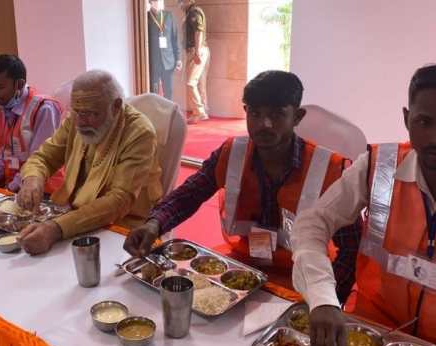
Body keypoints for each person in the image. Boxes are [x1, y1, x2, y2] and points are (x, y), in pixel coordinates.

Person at [291, 63, 436, 346]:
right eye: (424, 122)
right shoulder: (378, 166)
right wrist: (323, 298)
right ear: (407, 118)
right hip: (372, 335)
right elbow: (312, 223)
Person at [124, 70, 361, 297]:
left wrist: (328, 300)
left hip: (303, 277)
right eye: (255, 113)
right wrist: (154, 224)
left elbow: (350, 248)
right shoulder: (232, 153)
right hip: (239, 266)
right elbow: (189, 194)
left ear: (297, 117)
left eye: (277, 115)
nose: (264, 124)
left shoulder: (329, 170)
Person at [16, 70, 162, 255]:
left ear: (116, 106)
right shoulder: (75, 120)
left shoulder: (139, 133)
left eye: (91, 113)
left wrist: (56, 228)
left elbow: (119, 201)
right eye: (77, 111)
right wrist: (32, 179)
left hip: (124, 229)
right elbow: (44, 157)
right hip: (75, 217)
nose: (82, 122)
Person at [0, 54, 62, 192]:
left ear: (19, 84)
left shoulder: (44, 109)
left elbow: (37, 161)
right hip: (15, 185)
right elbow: (4, 153)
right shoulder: (4, 104)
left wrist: (10, 189)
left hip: (43, 189)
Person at [178, 0, 209, 124]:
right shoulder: (189, 12)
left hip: (197, 50)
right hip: (193, 51)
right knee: (194, 82)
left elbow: (198, 32)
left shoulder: (194, 12)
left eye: (182, 1)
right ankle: (198, 112)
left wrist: (197, 52)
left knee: (191, 83)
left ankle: (200, 112)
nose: (180, 3)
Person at [147, 0, 181, 100]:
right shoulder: (146, 17)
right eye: (154, 1)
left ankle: (168, 113)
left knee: (168, 91)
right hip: (153, 62)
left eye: (158, 1)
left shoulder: (169, 16)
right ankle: (156, 113)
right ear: (150, 2)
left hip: (168, 61)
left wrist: (178, 59)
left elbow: (174, 39)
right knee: (154, 91)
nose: (157, 3)